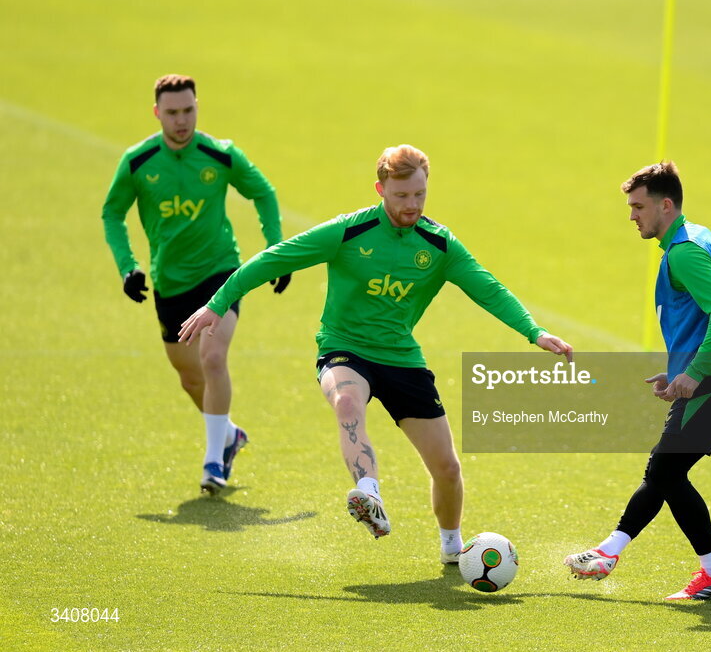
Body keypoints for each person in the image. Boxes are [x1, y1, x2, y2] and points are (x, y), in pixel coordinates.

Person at [179, 144, 573, 564]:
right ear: (380, 189)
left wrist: (535, 332)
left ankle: (452, 547)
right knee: (347, 401)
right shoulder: (348, 232)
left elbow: (487, 289)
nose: (412, 204)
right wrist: (218, 303)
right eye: (401, 195)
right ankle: (368, 493)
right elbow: (274, 259)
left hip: (402, 358)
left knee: (448, 468)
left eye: (420, 194)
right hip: (343, 349)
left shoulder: (438, 245)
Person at [564, 162, 711, 600]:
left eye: (638, 206)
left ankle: (611, 553)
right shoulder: (696, 237)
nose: (632, 216)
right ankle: (695, 567)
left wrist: (695, 373)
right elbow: (708, 316)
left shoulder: (684, 252)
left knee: (664, 468)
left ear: (665, 204)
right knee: (668, 471)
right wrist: (681, 365)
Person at [101, 74, 290, 495]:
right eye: (172, 113)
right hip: (169, 282)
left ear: (197, 107)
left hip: (221, 272)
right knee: (190, 379)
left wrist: (276, 249)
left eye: (188, 110)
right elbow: (112, 214)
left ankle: (212, 463)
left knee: (212, 358)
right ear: (157, 113)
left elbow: (264, 193)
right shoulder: (137, 162)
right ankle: (228, 435)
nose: (181, 120)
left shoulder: (220, 155)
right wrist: (128, 267)